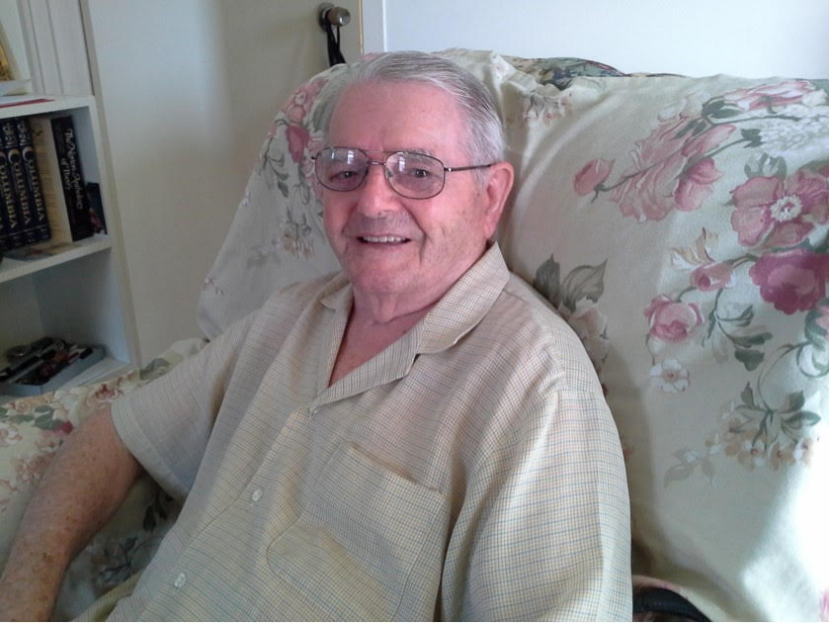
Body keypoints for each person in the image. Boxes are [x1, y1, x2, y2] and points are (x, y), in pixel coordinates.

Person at [0, 51, 631, 621]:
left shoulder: (538, 393)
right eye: (346, 168)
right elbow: (117, 436)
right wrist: (22, 599)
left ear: (490, 197)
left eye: (418, 171)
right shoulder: (290, 316)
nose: (373, 201)